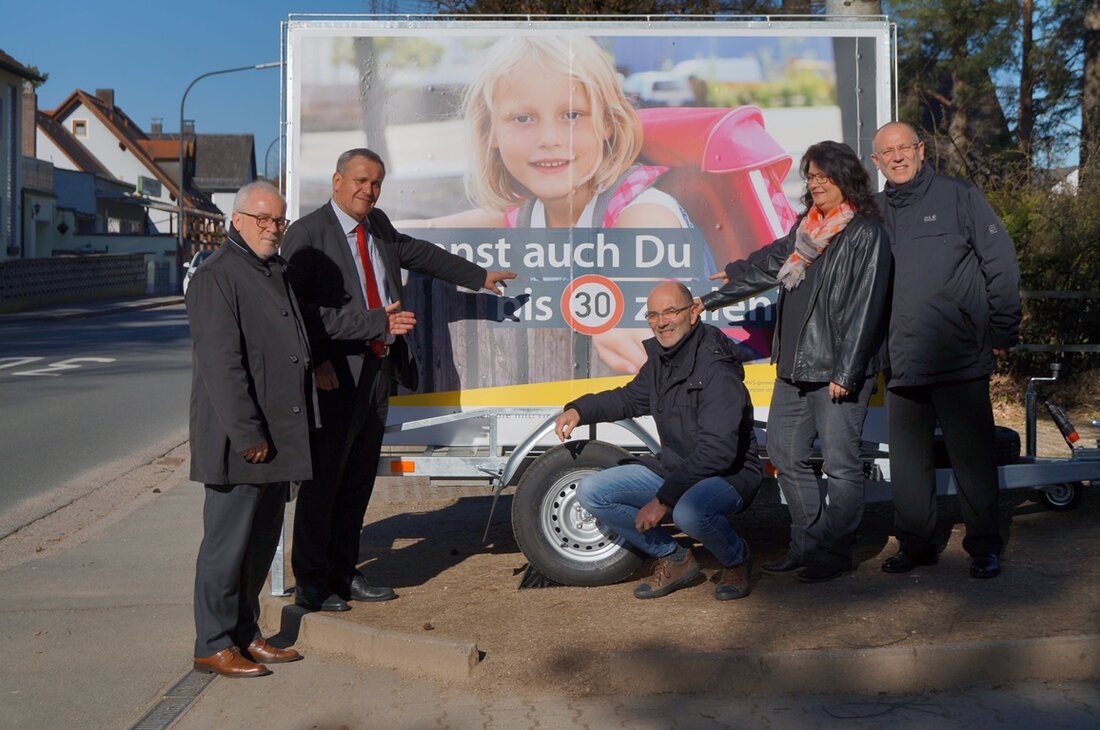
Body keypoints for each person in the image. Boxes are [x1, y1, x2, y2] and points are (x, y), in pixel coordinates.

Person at [283, 148, 515, 612]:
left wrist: (478, 276)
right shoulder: (307, 234)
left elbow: (418, 253)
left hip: (377, 373)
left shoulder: (378, 226)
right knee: (324, 483)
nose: (367, 191)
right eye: (360, 181)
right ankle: (312, 582)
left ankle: (345, 574)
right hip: (334, 376)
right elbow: (298, 312)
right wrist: (323, 360)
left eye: (376, 184)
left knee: (357, 481)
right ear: (336, 180)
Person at [699, 141, 892, 583]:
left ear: (847, 179)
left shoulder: (866, 234)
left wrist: (847, 372)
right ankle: (806, 543)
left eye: (825, 175)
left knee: (841, 465)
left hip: (837, 373)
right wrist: (712, 298)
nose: (816, 183)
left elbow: (868, 307)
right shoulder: (806, 229)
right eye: (810, 176)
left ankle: (836, 551)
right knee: (786, 455)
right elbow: (770, 262)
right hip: (794, 367)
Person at [871, 122, 1021, 580]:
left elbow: (1001, 262)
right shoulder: (872, 213)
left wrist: (1001, 329)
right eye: (886, 152)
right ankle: (916, 544)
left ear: (920, 150)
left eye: (904, 148)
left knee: (973, 462)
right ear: (875, 161)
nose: (897, 157)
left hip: (958, 356)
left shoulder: (959, 196)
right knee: (909, 467)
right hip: (900, 362)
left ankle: (984, 546)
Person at [556, 281, 761, 601]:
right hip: (677, 468)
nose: (661, 321)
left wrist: (663, 499)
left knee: (689, 512)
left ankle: (737, 558)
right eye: (653, 315)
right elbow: (629, 398)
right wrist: (580, 410)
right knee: (592, 491)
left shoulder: (717, 369)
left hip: (727, 474)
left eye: (671, 311)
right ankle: (676, 559)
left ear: (693, 313)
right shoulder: (662, 361)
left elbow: (717, 453)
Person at [186, 181, 310, 677]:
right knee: (226, 548)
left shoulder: (271, 270)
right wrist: (247, 434)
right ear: (236, 220)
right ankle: (212, 642)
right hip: (242, 441)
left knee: (260, 545)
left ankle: (244, 634)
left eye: (279, 221)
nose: (273, 229)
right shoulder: (217, 275)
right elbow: (222, 366)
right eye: (263, 219)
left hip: (275, 437)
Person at [401, 35, 690, 230]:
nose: (549, 139)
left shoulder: (644, 217)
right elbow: (430, 232)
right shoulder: (528, 216)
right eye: (523, 118)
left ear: (608, 122)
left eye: (572, 115)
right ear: (490, 132)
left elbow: (646, 320)